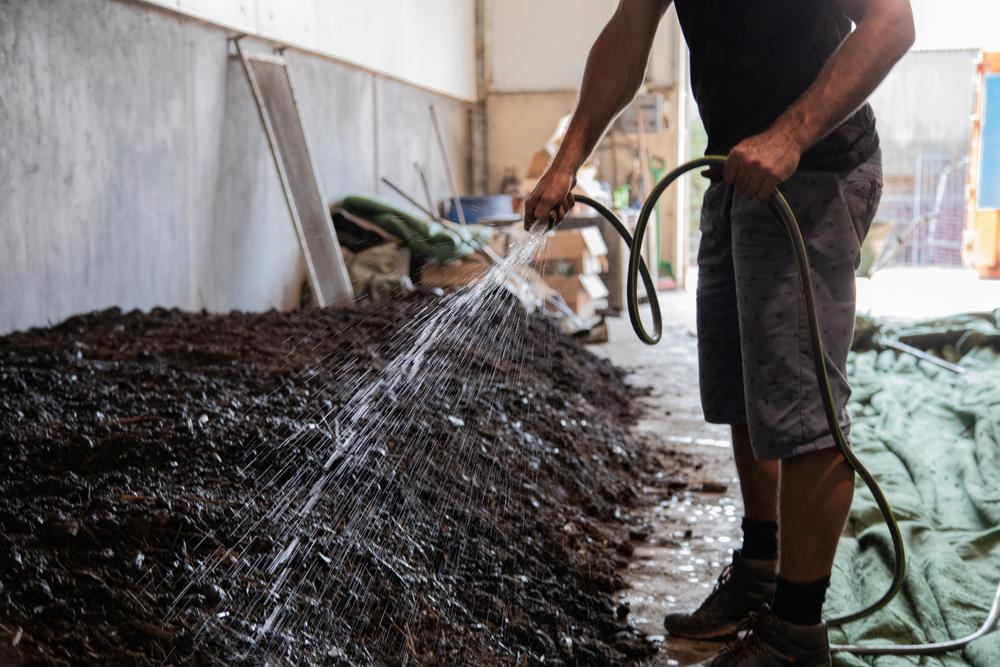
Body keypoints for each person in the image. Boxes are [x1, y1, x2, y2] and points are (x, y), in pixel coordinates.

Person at [523, 1, 914, 665]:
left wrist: (789, 136)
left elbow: (891, 24)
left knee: (803, 408)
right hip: (735, 171)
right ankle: (762, 567)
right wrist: (568, 160)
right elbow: (627, 36)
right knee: (746, 390)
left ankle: (796, 633)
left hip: (816, 169)